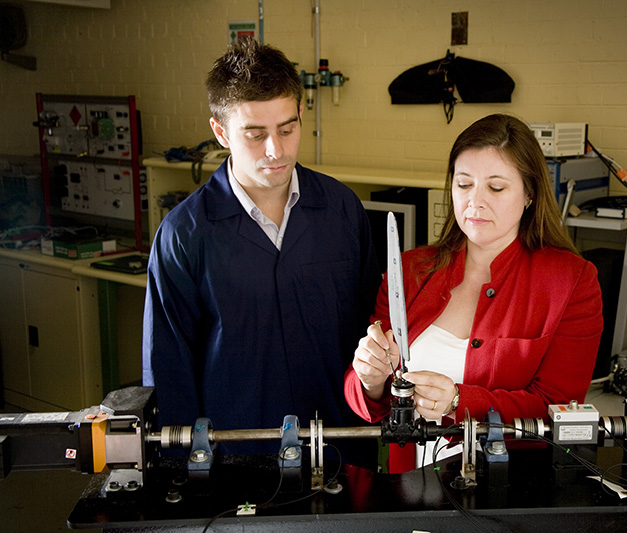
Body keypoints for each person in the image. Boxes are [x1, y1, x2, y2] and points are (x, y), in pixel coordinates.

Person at [142, 38, 381, 460]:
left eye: (287, 130)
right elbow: (169, 369)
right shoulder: (184, 234)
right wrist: (183, 471)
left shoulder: (342, 211)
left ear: (301, 114)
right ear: (220, 131)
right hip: (235, 459)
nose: (276, 150)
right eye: (255, 135)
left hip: (340, 452)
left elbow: (371, 330)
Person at [344, 113, 603, 472]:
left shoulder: (572, 282)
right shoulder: (410, 270)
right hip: (410, 482)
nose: (475, 202)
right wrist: (370, 380)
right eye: (464, 184)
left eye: (496, 188)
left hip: (508, 483)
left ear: (529, 193)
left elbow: (558, 411)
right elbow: (365, 398)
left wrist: (458, 401)